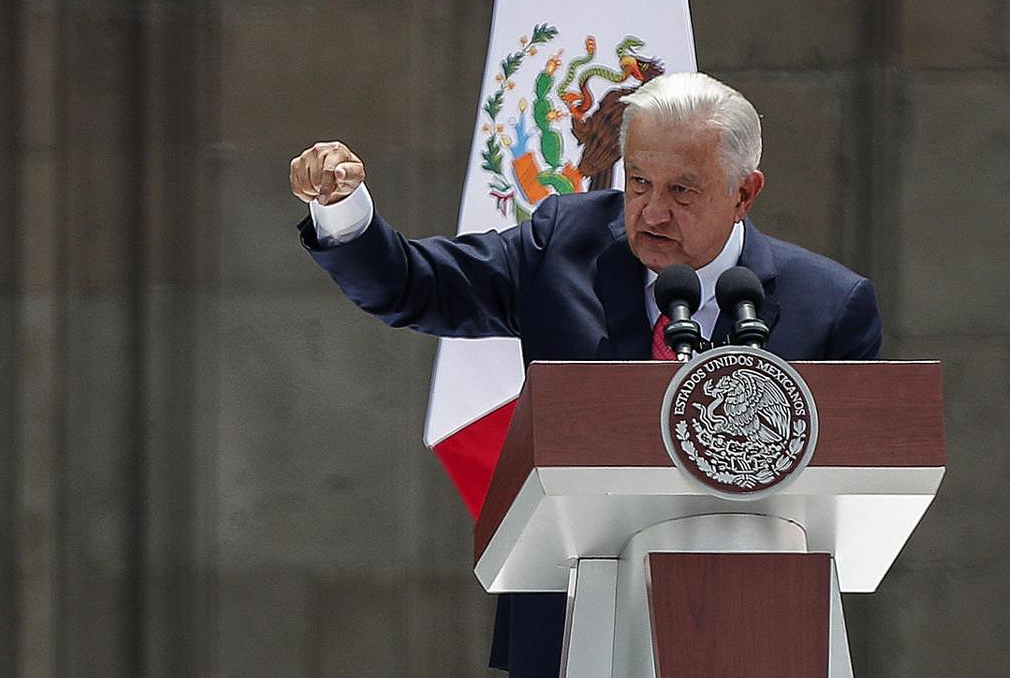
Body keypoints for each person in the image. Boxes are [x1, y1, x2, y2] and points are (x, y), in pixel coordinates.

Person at [289, 71, 882, 678]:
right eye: (638, 183)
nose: (652, 212)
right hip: (570, 625)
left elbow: (851, 495)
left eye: (681, 190)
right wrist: (344, 214)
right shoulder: (563, 245)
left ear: (745, 192)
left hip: (752, 629)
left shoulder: (829, 308)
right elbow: (415, 285)